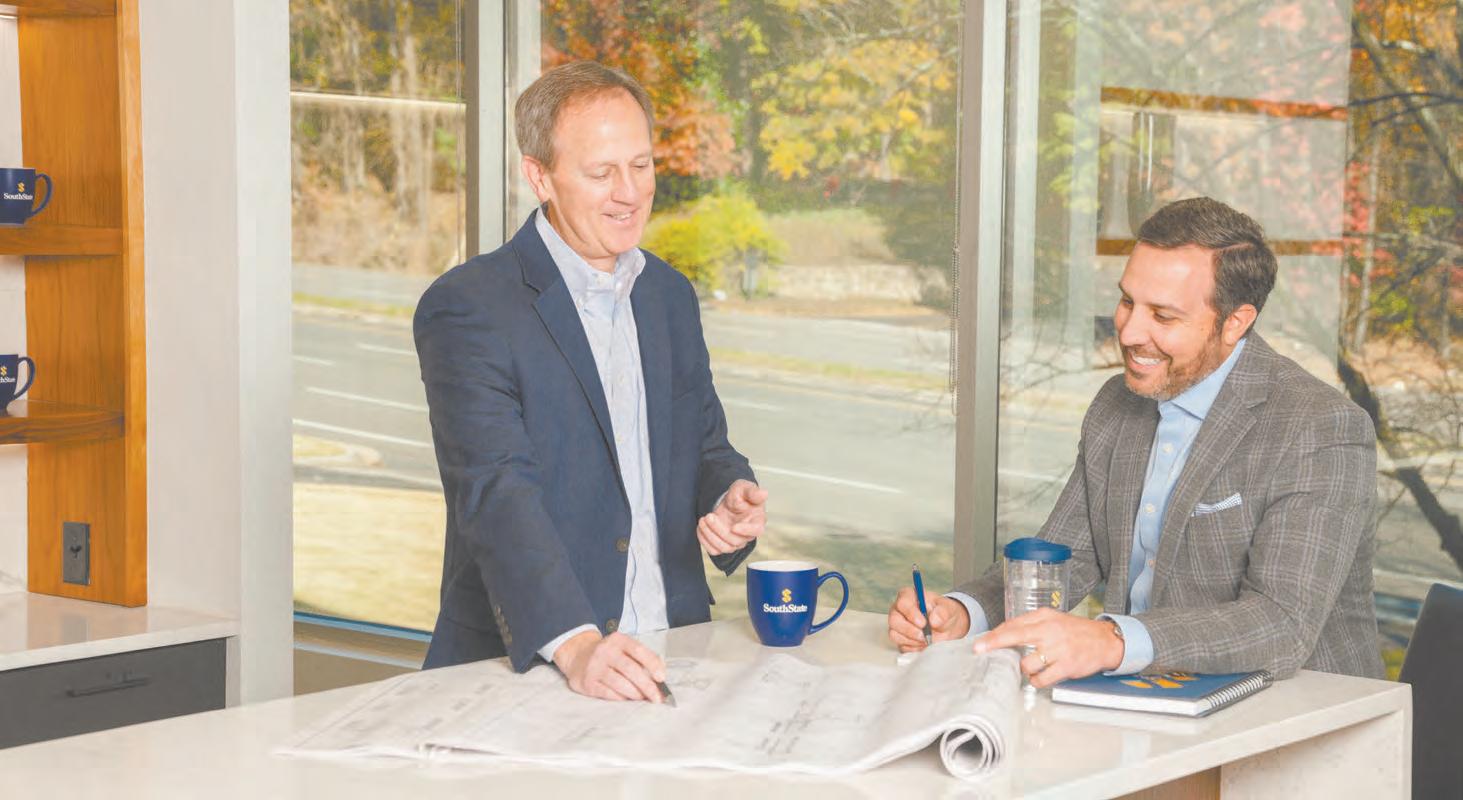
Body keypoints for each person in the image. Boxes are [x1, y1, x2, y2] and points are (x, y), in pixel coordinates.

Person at [889, 197, 1384, 685]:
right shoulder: (1118, 402)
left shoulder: (1320, 427)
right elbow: (1066, 558)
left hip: (1301, 711)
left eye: (1163, 317)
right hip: (1150, 699)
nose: (1127, 332)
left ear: (1235, 322)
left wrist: (1110, 641)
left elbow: (1280, 623)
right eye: (1128, 302)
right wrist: (964, 612)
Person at [414, 61, 768, 702]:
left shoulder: (668, 295)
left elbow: (703, 445)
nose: (629, 192)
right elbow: (496, 492)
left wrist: (726, 496)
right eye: (602, 173)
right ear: (539, 176)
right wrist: (576, 646)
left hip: (673, 657)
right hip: (531, 669)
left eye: (642, 165)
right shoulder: (469, 306)